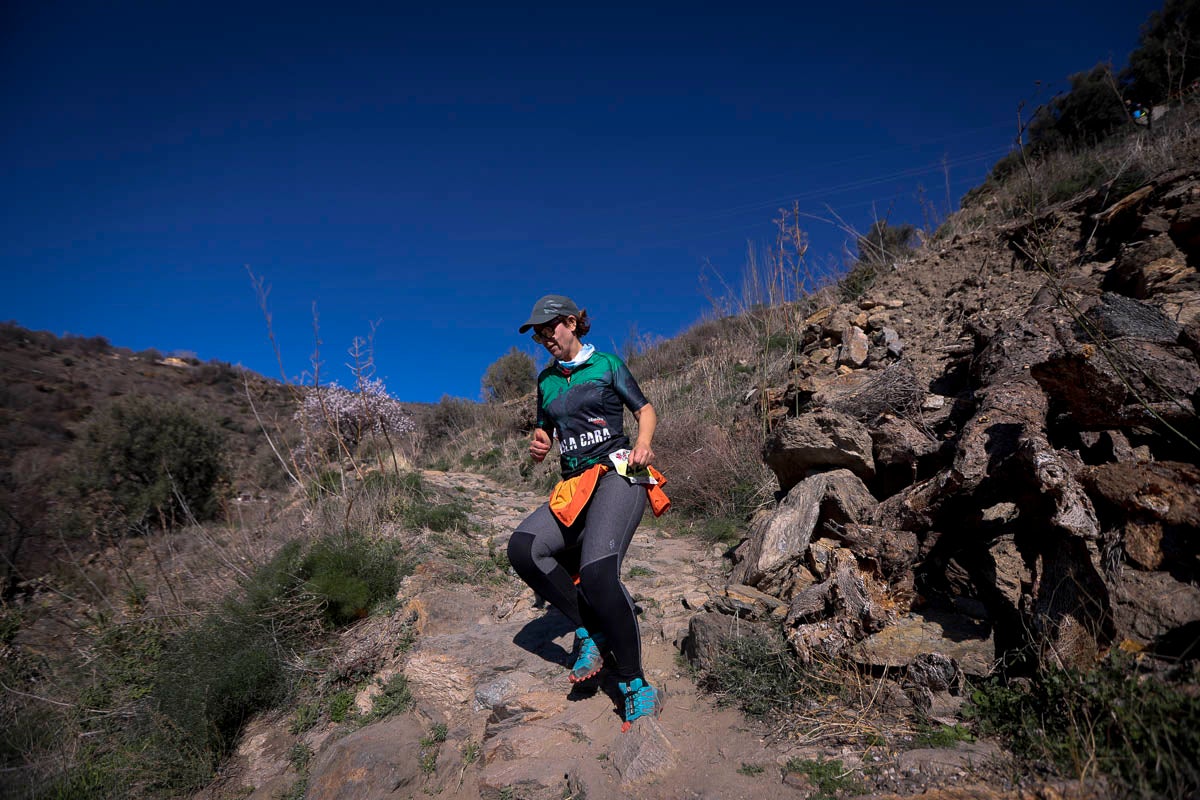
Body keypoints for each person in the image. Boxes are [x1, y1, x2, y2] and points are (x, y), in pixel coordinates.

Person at [506, 294, 666, 732]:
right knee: (524, 549)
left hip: (617, 472)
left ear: (572, 323)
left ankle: (634, 683)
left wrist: (643, 442)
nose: (542, 339)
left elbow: (645, 409)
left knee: (597, 576)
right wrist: (540, 445)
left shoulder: (608, 364)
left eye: (547, 329)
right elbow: (545, 432)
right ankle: (589, 631)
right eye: (537, 334)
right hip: (574, 485)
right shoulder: (546, 382)